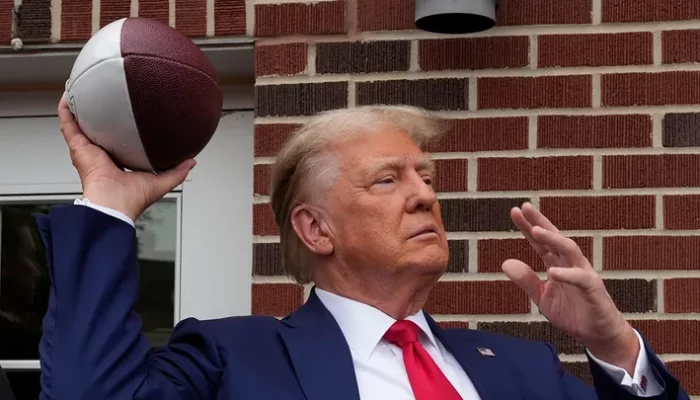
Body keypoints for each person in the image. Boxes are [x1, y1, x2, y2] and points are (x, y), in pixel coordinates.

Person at [36, 94, 688, 400]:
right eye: (387, 179)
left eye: (426, 179)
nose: (424, 196)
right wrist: (109, 208)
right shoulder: (233, 359)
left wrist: (613, 347)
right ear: (316, 229)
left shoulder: (525, 371)